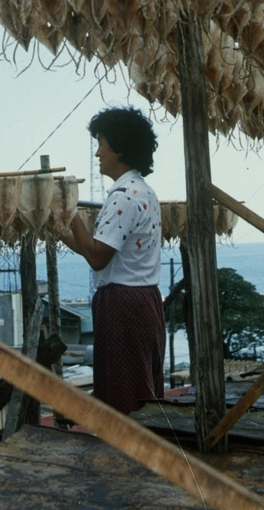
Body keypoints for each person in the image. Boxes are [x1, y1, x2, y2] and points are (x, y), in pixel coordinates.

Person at [60, 106, 164, 414]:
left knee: (123, 394)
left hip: (123, 304)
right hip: (144, 298)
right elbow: (99, 249)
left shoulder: (123, 197)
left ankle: (126, 445)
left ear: (119, 148)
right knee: (142, 389)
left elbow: (97, 258)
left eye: (101, 144)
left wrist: (71, 210)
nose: (97, 153)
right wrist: (64, 234)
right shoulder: (144, 192)